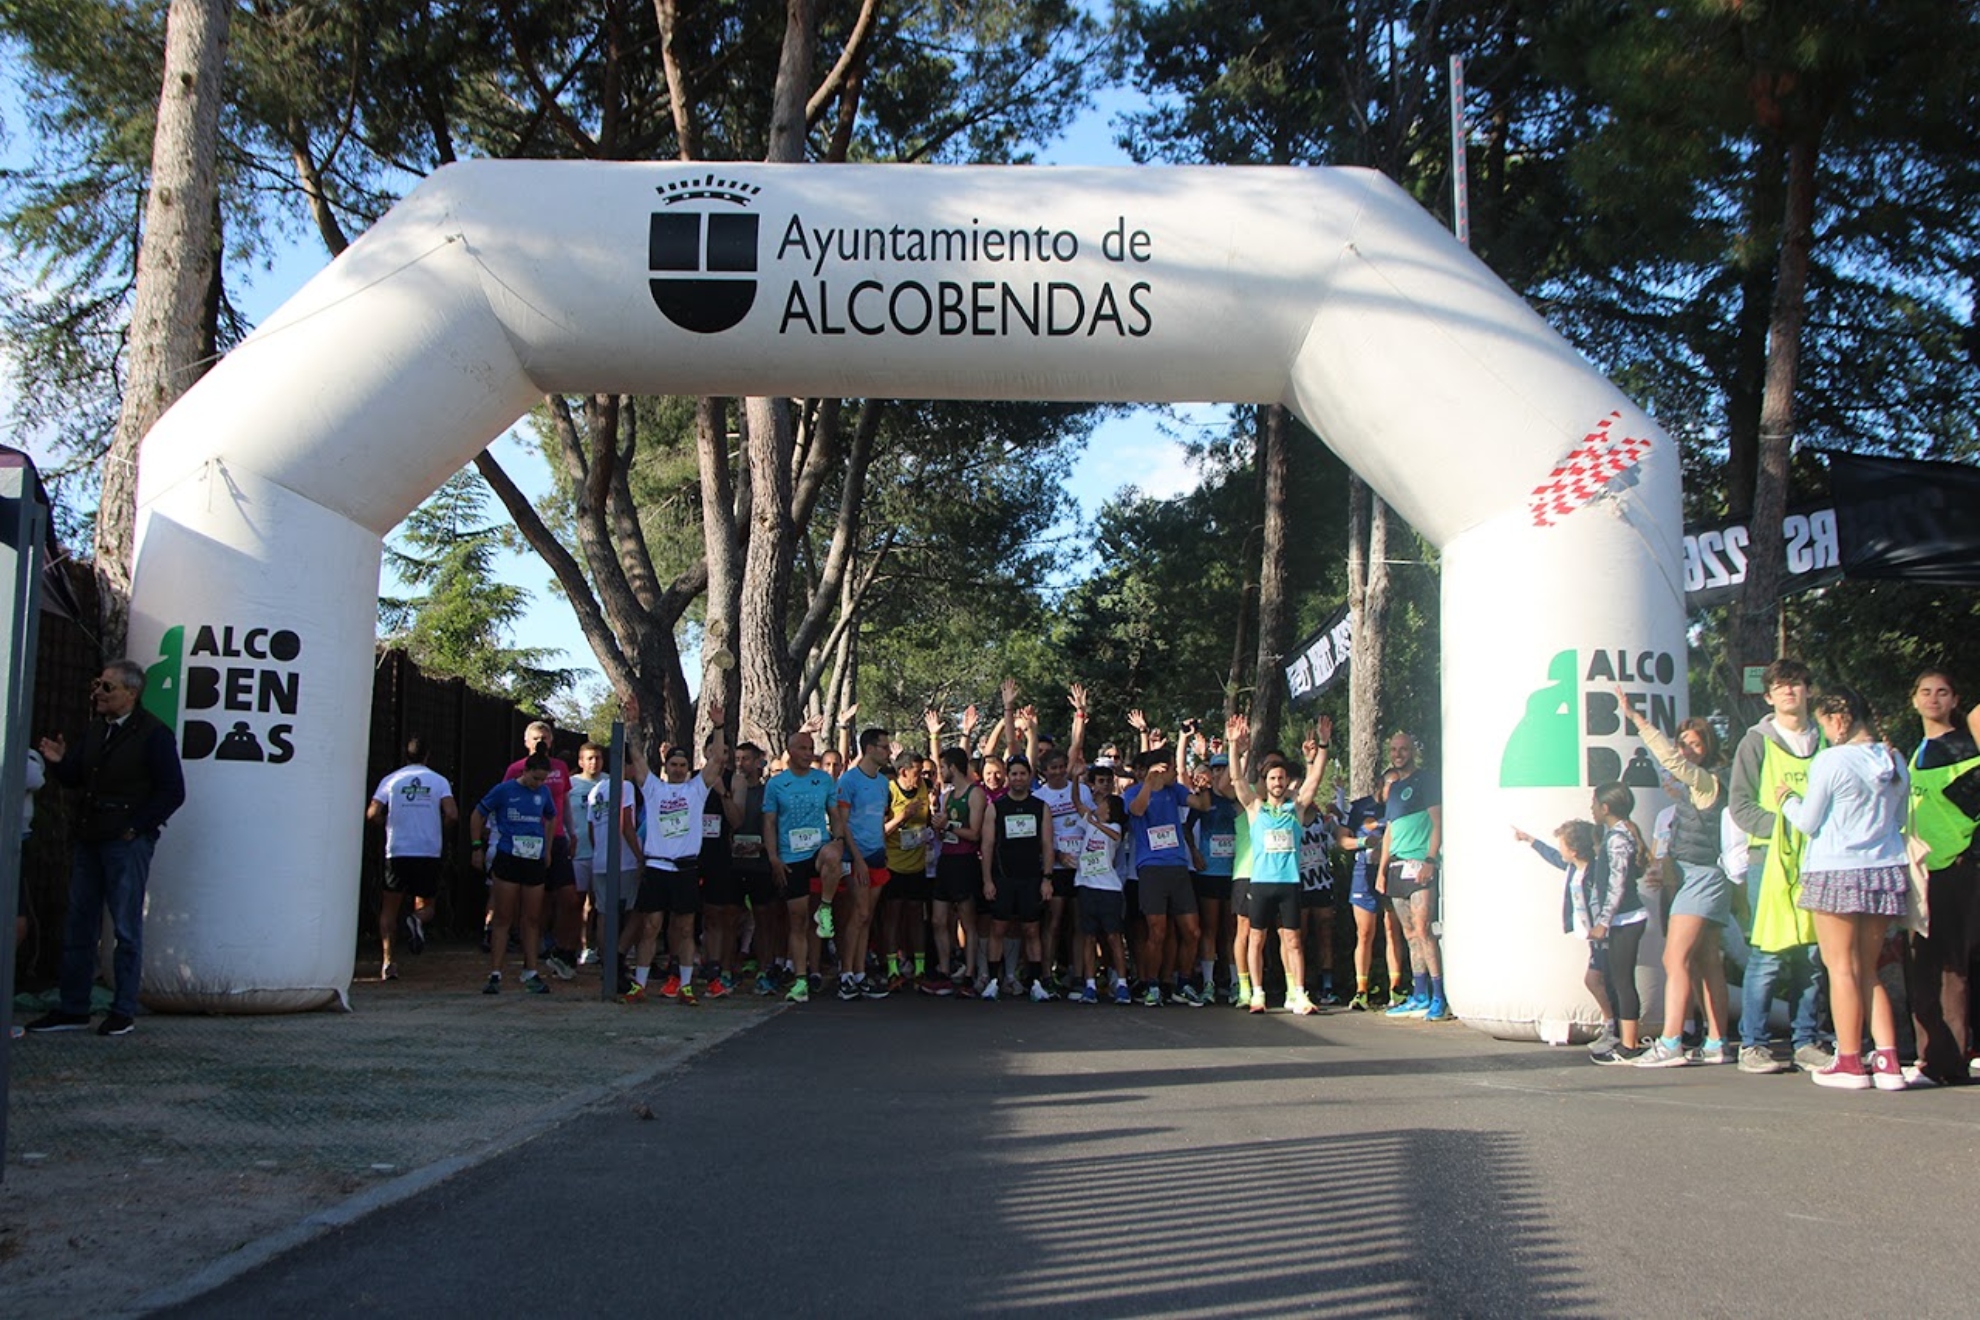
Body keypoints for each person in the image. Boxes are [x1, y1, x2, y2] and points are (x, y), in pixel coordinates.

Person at [26, 659, 186, 1038]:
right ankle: (73, 1008)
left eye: (107, 687)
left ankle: (122, 1010)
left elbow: (173, 791)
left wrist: (136, 828)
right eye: (97, 683)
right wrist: (60, 762)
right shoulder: (98, 730)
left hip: (124, 841)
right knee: (79, 924)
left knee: (126, 927)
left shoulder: (153, 735)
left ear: (131, 693)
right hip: (92, 836)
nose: (98, 692)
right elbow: (77, 776)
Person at [1779, 686, 1912, 1090]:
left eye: (1823, 723)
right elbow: (1901, 817)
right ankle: (1888, 1061)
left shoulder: (1831, 759)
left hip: (1835, 868)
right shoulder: (1894, 759)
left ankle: (1850, 1060)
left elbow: (1808, 821)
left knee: (1840, 969)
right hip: (1883, 868)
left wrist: (1786, 800)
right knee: (1868, 968)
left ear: (1838, 720)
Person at [1618, 697, 1735, 1068]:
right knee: (1706, 960)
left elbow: (1670, 762)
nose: (1685, 751)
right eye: (1683, 743)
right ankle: (1717, 1041)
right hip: (1704, 875)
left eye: (1694, 745)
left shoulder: (1706, 782)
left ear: (1708, 749)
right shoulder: (1696, 787)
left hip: (1700, 877)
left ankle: (1670, 1042)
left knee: (1674, 957)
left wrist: (1637, 719)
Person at [1727, 658, 1830, 1075]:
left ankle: (1806, 1040)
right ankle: (1753, 1044)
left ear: (1808, 691)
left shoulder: (1826, 741)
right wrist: (1787, 828)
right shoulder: (1756, 742)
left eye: (1797, 684)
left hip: (1821, 859)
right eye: (1781, 686)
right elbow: (1740, 805)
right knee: (1767, 955)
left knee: (1813, 954)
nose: (1790, 691)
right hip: (1768, 860)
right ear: (1769, 696)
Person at [1903, 669, 1980, 1086]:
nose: (1933, 699)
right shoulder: (1914, 752)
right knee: (1921, 965)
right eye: (1925, 692)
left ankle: (1950, 1061)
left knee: (1953, 966)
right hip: (1918, 872)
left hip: (1955, 868)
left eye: (1942, 692)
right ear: (1913, 700)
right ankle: (1928, 1056)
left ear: (1954, 700)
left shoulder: (1968, 747)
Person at [1228, 714, 1330, 1015]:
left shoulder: (1294, 809)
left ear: (1286, 783)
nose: (1277, 782)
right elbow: (1236, 780)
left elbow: (1315, 779)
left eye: (1281, 778)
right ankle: (1257, 993)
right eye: (1272, 778)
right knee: (1256, 938)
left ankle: (1299, 993)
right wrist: (1234, 746)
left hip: (1289, 884)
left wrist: (1323, 746)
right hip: (1260, 883)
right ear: (1266, 782)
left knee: (1293, 939)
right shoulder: (1255, 808)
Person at [629, 708, 730, 1006]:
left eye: (682, 764)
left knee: (686, 928)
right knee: (651, 927)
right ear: (666, 764)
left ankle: (686, 986)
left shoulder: (696, 790)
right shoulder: (653, 788)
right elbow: (635, 758)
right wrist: (633, 722)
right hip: (656, 866)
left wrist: (720, 726)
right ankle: (639, 985)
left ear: (688, 767)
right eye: (673, 764)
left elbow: (718, 761)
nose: (677, 769)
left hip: (685, 868)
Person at [762, 728, 844, 1003]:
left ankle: (826, 908)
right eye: (803, 749)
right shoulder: (776, 784)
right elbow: (770, 823)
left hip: (818, 849)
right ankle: (800, 979)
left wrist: (839, 840)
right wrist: (773, 856)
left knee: (833, 855)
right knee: (797, 920)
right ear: (791, 752)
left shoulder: (823, 780)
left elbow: (834, 814)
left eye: (811, 749)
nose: (809, 754)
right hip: (791, 855)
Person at [366, 736, 457, 981]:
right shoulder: (438, 781)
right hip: (427, 849)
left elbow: (372, 812)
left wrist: (387, 823)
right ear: (427, 756)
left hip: (397, 850)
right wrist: (440, 828)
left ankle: (387, 962)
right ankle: (416, 920)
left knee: (389, 907)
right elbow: (452, 813)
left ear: (406, 755)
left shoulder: (391, 780)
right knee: (427, 904)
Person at [1126, 741, 1207, 1007]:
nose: (1175, 771)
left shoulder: (1176, 791)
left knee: (1192, 931)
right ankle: (1151, 985)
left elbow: (1202, 805)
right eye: (1171, 767)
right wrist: (1149, 782)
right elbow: (1136, 810)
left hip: (1178, 867)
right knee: (1156, 932)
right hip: (1151, 868)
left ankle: (1183, 983)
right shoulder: (1134, 792)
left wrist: (1203, 785)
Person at [471, 751, 558, 996]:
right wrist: (476, 846)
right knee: (503, 917)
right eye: (535, 779)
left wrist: (548, 848)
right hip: (509, 857)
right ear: (525, 772)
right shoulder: (504, 790)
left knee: (531, 918)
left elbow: (551, 817)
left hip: (534, 859)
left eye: (542, 780)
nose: (538, 784)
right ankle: (495, 973)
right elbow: (477, 814)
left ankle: (530, 971)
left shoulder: (543, 793)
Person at [1377, 733, 1446, 1021]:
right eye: (1394, 750)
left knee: (1423, 928)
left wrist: (1431, 858)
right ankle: (1419, 994)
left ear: (1413, 751)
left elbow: (1437, 820)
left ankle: (1438, 997)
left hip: (1419, 863)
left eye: (1403, 749)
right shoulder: (1393, 789)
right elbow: (1389, 832)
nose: (1398, 754)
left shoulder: (1426, 781)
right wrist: (1381, 870)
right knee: (1408, 933)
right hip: (1396, 866)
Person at [504, 722, 577, 979]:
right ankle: (533, 956)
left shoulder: (560, 768)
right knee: (535, 904)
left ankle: (565, 949)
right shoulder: (515, 769)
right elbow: (503, 801)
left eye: (544, 737)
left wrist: (572, 832)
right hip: (526, 840)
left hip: (556, 839)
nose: (540, 741)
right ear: (527, 742)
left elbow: (564, 803)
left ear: (551, 740)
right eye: (535, 738)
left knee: (569, 896)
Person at [1586, 782, 1651, 1061]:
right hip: (1620, 920)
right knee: (1616, 978)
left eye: (1594, 804)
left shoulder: (1618, 839)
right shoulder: (1615, 835)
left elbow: (1617, 884)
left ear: (1605, 808)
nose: (1591, 809)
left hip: (1627, 918)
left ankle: (1629, 1044)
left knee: (1623, 981)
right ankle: (1624, 1038)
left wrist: (1604, 921)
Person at [833, 726, 895, 1001]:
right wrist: (856, 857)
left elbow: (878, 820)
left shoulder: (883, 783)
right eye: (884, 746)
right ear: (869, 748)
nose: (888, 751)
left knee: (866, 915)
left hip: (876, 853)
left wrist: (882, 848)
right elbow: (842, 824)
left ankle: (859, 972)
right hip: (855, 855)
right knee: (857, 913)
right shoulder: (849, 781)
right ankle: (845, 972)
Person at [1070, 787, 1131, 1003]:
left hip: (1109, 889)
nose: (1099, 804)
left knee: (1114, 936)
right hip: (1087, 886)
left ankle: (1122, 984)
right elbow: (1076, 800)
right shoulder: (1089, 820)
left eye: (1103, 802)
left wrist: (1096, 823)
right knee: (1089, 936)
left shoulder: (1113, 826)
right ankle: (1089, 985)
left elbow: (1116, 835)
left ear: (1109, 808)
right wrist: (1076, 778)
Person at [1337, 793, 1387, 1010]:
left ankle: (1397, 988)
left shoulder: (1401, 804)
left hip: (1391, 872)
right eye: (1388, 785)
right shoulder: (1360, 807)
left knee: (1394, 932)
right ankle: (1361, 990)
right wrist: (1364, 842)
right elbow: (1342, 840)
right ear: (1379, 786)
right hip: (1363, 875)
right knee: (1365, 933)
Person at [567, 743, 605, 965]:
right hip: (578, 850)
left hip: (602, 852)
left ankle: (599, 947)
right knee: (576, 901)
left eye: (598, 758)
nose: (594, 762)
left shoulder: (610, 782)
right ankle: (575, 946)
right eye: (589, 758)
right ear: (581, 761)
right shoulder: (571, 785)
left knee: (599, 904)